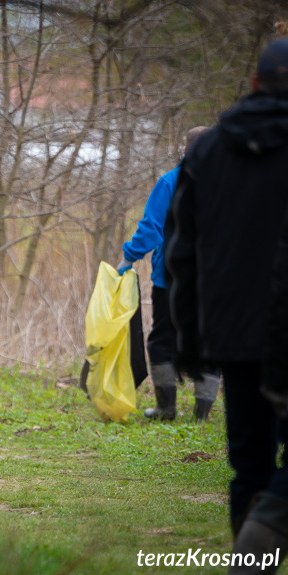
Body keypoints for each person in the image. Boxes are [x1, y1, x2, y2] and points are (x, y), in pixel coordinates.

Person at [166, 38, 288, 571]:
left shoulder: (207, 151)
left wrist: (189, 340)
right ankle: (271, 526)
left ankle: (254, 557)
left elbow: (182, 255)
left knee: (248, 464)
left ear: (255, 83)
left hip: (233, 332)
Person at [117, 126, 219, 423]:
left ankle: (166, 409)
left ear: (185, 150)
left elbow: (150, 229)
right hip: (215, 280)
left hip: (171, 279)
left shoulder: (170, 181)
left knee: (163, 337)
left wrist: (128, 258)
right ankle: (202, 414)